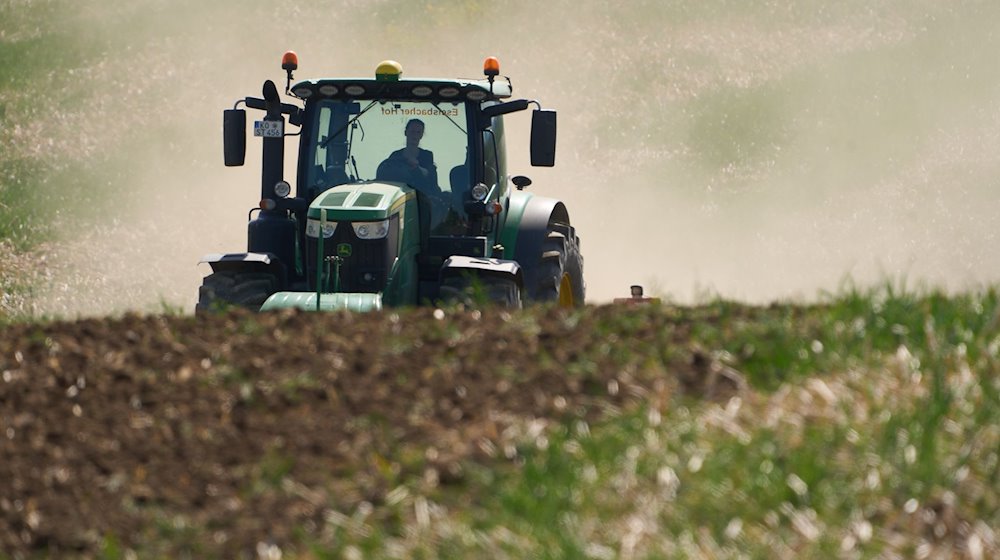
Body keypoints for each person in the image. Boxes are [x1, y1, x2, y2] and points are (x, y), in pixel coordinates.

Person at [376, 119, 440, 193]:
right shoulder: (395, 155)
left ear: (421, 135)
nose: (415, 135)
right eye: (412, 131)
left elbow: (429, 176)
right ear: (406, 133)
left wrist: (417, 168)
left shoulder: (427, 155)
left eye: (418, 132)